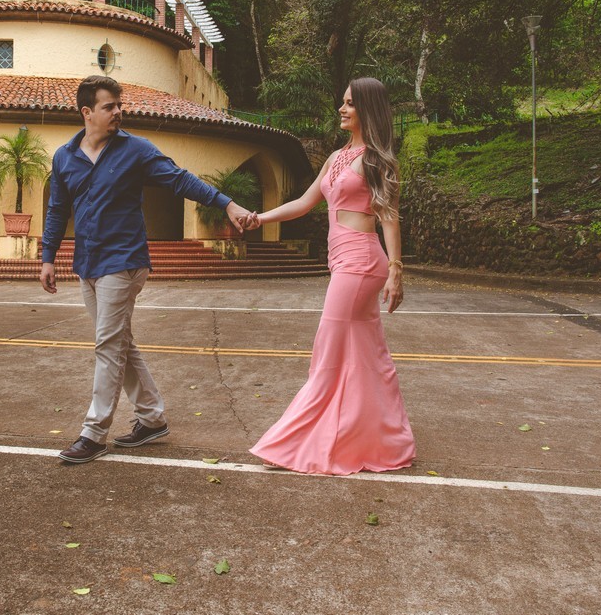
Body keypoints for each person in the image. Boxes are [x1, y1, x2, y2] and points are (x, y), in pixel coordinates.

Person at [41, 75, 254, 464]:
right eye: (110, 106)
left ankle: (93, 433)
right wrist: (47, 257)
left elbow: (179, 179)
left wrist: (227, 204)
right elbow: (57, 209)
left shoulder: (135, 150)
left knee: (108, 344)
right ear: (87, 112)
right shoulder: (64, 156)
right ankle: (152, 418)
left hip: (123, 261)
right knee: (120, 342)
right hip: (87, 262)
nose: (119, 111)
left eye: (120, 104)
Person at [244, 77, 415, 475]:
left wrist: (396, 269)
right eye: (342, 102)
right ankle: (383, 438)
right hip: (342, 261)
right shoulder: (337, 156)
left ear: (368, 110)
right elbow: (304, 203)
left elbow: (389, 218)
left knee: (328, 349)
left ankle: (294, 441)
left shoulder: (378, 160)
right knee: (366, 353)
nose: (342, 109)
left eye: (351, 104)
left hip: (361, 262)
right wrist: (260, 218)